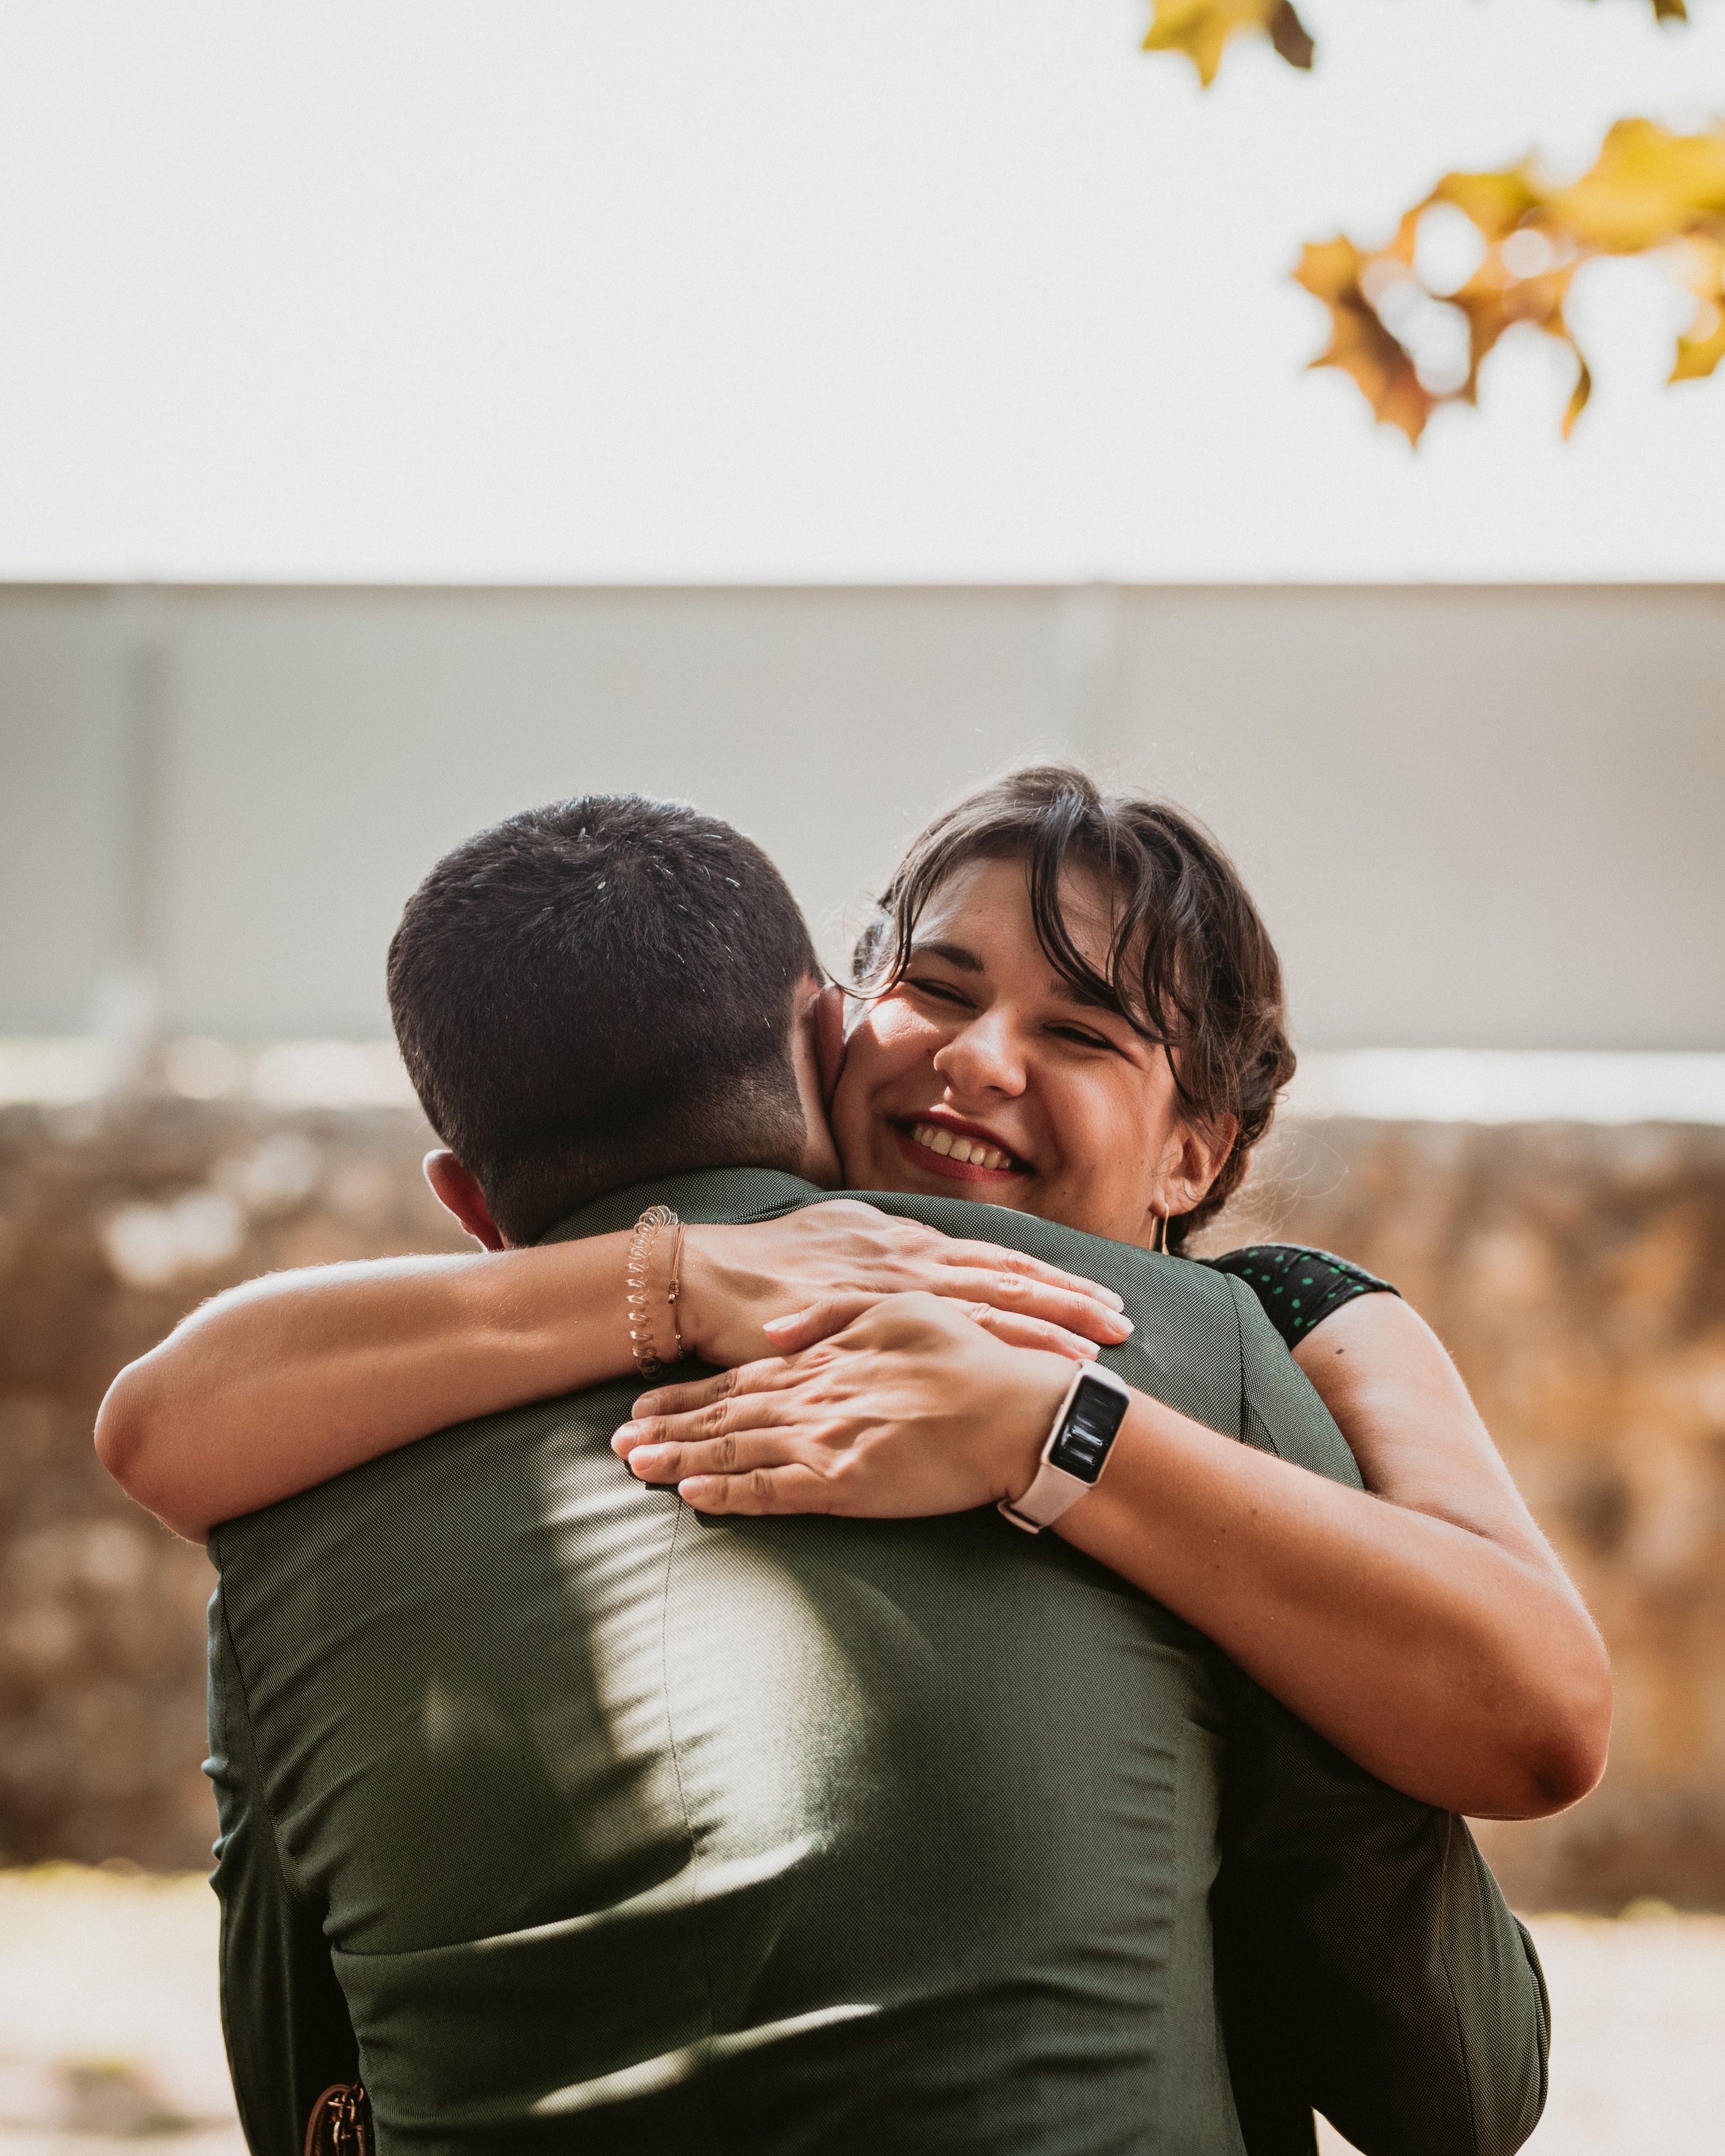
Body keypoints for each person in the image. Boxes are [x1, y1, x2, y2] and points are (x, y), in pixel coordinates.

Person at [100, 784, 1563, 2155]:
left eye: (1085, 1032)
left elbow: (308, 2089)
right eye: (934, 989)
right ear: (828, 1028)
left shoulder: (1267, 1333)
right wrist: (678, 1277)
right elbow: (1447, 2074)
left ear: (1195, 1153)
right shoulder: (1199, 1347)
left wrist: (1045, 1430)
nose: (980, 1057)